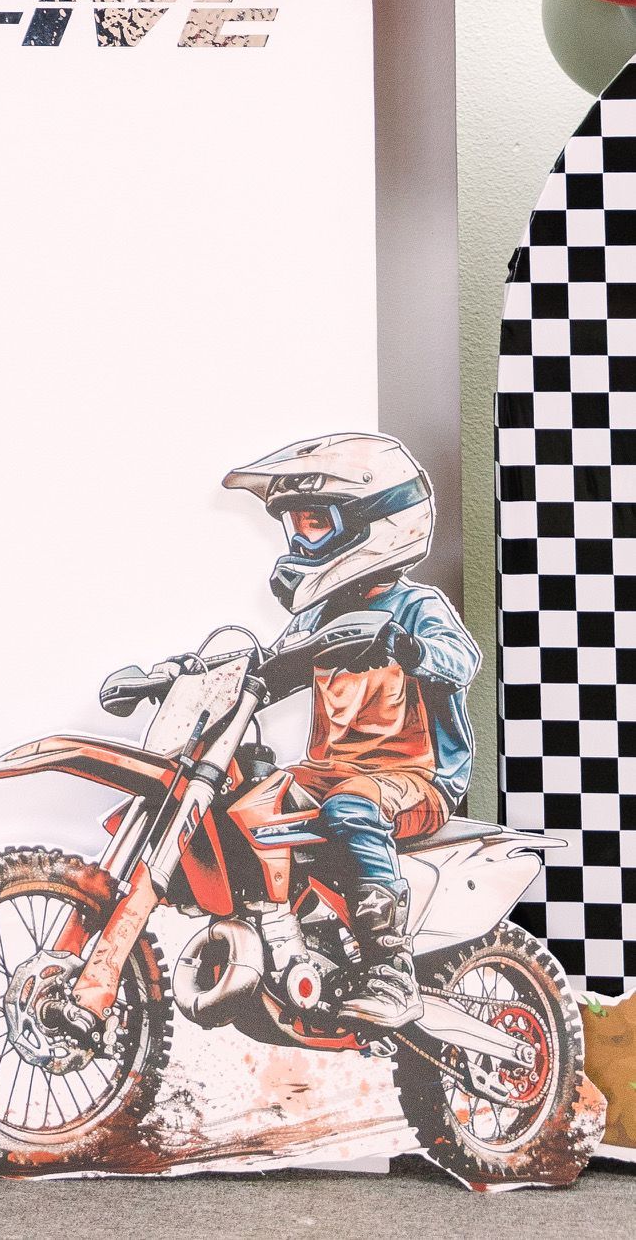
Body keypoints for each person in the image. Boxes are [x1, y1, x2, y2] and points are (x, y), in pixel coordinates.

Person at [224, 432, 479, 1030]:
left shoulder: (416, 607)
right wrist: (186, 674)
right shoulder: (319, 615)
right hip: (332, 772)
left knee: (352, 808)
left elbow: (462, 661)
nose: (299, 540)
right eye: (294, 525)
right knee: (248, 803)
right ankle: (286, 938)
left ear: (375, 523)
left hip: (416, 777)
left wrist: (408, 648)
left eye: (315, 522)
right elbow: (269, 671)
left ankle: (392, 970)